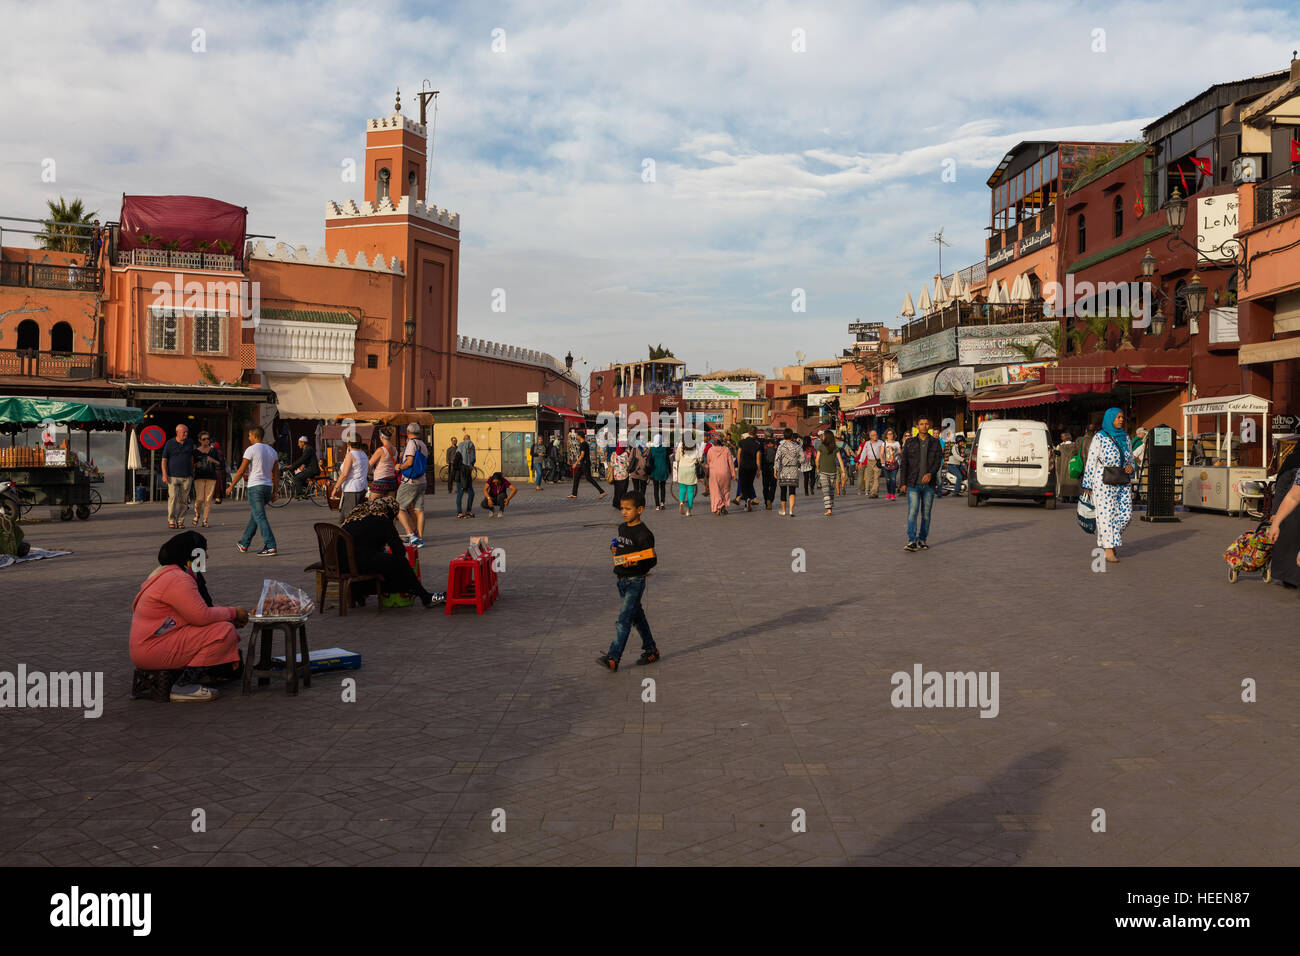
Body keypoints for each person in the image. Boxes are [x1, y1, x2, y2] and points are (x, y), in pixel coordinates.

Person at [130, 531, 248, 702]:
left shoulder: (171, 573)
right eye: (203, 552)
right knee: (224, 632)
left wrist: (228, 617)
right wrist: (233, 612)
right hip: (153, 648)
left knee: (225, 635)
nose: (206, 557)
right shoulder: (178, 579)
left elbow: (195, 613)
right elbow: (201, 616)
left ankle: (190, 679)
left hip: (152, 645)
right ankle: (184, 685)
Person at [595, 490, 659, 671]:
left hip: (635, 581)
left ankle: (613, 657)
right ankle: (651, 649)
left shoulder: (644, 534)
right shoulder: (622, 527)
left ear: (640, 510)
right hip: (621, 579)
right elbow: (621, 546)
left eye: (628, 509)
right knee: (637, 618)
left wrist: (637, 563)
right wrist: (614, 549)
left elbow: (652, 559)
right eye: (622, 508)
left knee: (623, 620)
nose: (624, 512)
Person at [340, 498, 440, 607]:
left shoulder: (352, 517)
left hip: (340, 564)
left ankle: (359, 592)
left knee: (378, 559)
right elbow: (400, 551)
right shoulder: (382, 518)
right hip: (359, 564)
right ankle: (424, 596)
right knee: (401, 563)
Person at [1080, 407, 1135, 564]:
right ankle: (1109, 549)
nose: (1121, 420)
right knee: (1106, 515)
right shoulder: (1100, 437)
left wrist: (1131, 466)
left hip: (1122, 480)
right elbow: (1091, 461)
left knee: (1126, 515)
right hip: (1103, 480)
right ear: (1110, 418)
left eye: (1122, 417)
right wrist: (1087, 484)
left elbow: (1130, 458)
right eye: (1117, 417)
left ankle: (1109, 539)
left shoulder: (1125, 437)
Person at [230, 426, 280, 556]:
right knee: (256, 515)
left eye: (249, 436)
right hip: (267, 488)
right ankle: (244, 543)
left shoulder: (251, 450)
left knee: (259, 516)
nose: (248, 438)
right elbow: (276, 473)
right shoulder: (272, 451)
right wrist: (275, 491)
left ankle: (270, 545)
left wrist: (231, 486)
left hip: (255, 487)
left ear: (254, 435)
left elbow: (241, 470)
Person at [899, 416, 942, 551]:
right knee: (912, 512)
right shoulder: (910, 442)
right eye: (921, 424)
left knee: (926, 513)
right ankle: (912, 540)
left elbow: (938, 461)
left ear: (929, 426)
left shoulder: (935, 443)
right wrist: (903, 483)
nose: (924, 426)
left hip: (929, 485)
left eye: (926, 424)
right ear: (917, 426)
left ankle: (922, 539)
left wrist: (931, 473)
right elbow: (904, 463)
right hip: (913, 484)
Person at [1265, 445, 1300, 589]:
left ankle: (1288, 578)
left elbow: (1282, 490)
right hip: (1290, 513)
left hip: (1290, 516)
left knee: (1288, 544)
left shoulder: (1290, 461)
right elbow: (1293, 496)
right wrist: (1276, 520)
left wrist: (1275, 515)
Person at [395, 422, 429, 548]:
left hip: (410, 481)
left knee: (398, 508)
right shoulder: (423, 445)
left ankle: (411, 535)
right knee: (419, 511)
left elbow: (409, 462)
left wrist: (399, 466)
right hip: (422, 481)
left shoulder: (411, 443)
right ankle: (420, 539)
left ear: (408, 433)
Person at [161, 423, 194, 530]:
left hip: (186, 476)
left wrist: (192, 472)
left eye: (187, 432)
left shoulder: (190, 442)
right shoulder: (170, 443)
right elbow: (164, 460)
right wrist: (165, 475)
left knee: (184, 501)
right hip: (172, 476)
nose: (186, 434)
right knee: (173, 498)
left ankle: (180, 521)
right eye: (184, 432)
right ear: (177, 432)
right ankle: (171, 520)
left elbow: (192, 458)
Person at [332, 438, 371, 523]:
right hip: (362, 487)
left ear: (348, 444)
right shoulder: (363, 454)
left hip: (352, 488)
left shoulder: (350, 455)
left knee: (350, 518)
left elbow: (344, 474)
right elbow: (369, 470)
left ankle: (349, 535)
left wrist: (335, 487)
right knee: (356, 516)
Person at [191, 432, 222, 528]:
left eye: (208, 439)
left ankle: (205, 520)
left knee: (208, 499)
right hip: (199, 477)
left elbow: (219, 463)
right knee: (199, 499)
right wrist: (196, 465)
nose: (206, 441)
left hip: (211, 477)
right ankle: (197, 514)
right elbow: (191, 465)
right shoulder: (195, 452)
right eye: (204, 439)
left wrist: (212, 460)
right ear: (199, 440)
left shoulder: (213, 451)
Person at [567, 433, 607, 499]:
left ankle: (602, 491)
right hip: (584, 463)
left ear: (580, 436)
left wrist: (575, 463)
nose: (576, 437)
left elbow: (582, 455)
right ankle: (574, 494)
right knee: (576, 477)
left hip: (585, 464)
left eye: (577, 435)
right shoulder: (584, 443)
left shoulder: (583, 444)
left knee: (589, 478)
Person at [774, 427, 803, 517]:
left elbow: (777, 459)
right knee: (792, 491)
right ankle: (791, 510)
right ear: (792, 436)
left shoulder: (781, 446)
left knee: (783, 490)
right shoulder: (797, 446)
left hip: (783, 470)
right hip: (793, 470)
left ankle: (783, 510)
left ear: (784, 436)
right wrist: (797, 462)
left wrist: (775, 470)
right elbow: (803, 458)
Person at [706, 436, 736, 514]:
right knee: (725, 490)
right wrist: (733, 474)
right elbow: (731, 463)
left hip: (714, 473)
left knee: (715, 491)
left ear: (714, 443)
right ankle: (723, 506)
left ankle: (718, 507)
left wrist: (706, 473)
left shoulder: (710, 450)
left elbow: (707, 463)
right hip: (725, 473)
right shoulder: (726, 450)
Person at [816, 430, 843, 516]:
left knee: (826, 491)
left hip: (823, 471)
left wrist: (817, 468)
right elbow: (840, 460)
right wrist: (843, 471)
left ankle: (829, 509)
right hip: (833, 472)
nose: (822, 437)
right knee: (831, 490)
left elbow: (817, 459)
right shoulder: (835, 447)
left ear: (826, 437)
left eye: (823, 436)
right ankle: (830, 507)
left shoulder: (821, 447)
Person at [368, 427, 399, 499]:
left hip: (380, 481)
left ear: (381, 437)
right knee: (389, 505)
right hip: (392, 481)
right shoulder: (395, 450)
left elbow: (369, 465)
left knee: (372, 503)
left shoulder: (381, 450)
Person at [675, 435, 701, 516]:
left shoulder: (680, 446)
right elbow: (699, 459)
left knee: (682, 489)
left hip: (682, 469)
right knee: (690, 492)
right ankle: (689, 510)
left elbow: (677, 459)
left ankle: (681, 502)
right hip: (691, 470)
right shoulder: (696, 447)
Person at [736, 430, 761, 509]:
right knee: (750, 484)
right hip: (753, 467)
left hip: (743, 466)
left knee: (743, 484)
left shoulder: (742, 442)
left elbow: (738, 454)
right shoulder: (758, 444)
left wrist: (739, 465)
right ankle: (749, 499)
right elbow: (758, 458)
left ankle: (747, 500)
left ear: (749, 433)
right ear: (755, 433)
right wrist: (758, 470)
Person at [858, 429, 884, 498]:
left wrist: (883, 460)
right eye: (874, 435)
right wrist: (861, 462)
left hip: (877, 462)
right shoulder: (867, 443)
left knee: (876, 478)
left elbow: (884, 452)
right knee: (871, 478)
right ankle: (874, 491)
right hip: (869, 462)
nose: (876, 436)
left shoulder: (881, 442)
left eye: (876, 434)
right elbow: (864, 453)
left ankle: (873, 492)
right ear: (870, 436)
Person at [648, 435, 671, 511]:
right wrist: (669, 470)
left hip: (655, 470)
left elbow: (650, 460)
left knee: (656, 488)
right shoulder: (665, 448)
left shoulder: (652, 449)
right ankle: (662, 503)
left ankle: (657, 505)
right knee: (663, 487)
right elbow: (667, 460)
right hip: (663, 469)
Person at [760, 428, 779, 510]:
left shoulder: (762, 443)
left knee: (765, 485)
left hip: (765, 466)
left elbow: (759, 455)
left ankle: (766, 500)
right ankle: (770, 500)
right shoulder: (776, 443)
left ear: (765, 435)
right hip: (774, 466)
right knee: (773, 485)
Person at [609, 443, 631, 510]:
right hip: (624, 475)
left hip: (616, 475)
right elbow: (628, 464)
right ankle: (620, 504)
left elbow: (611, 464)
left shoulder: (613, 454)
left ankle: (615, 503)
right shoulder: (626, 454)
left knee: (617, 490)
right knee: (623, 491)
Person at [882, 428, 901, 500]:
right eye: (889, 434)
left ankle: (893, 494)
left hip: (894, 463)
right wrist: (881, 459)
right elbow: (881, 453)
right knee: (888, 480)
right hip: (886, 464)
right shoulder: (884, 443)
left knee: (893, 479)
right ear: (886, 435)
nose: (890, 435)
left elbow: (899, 452)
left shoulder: (897, 443)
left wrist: (897, 454)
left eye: (892, 434)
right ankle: (889, 493)